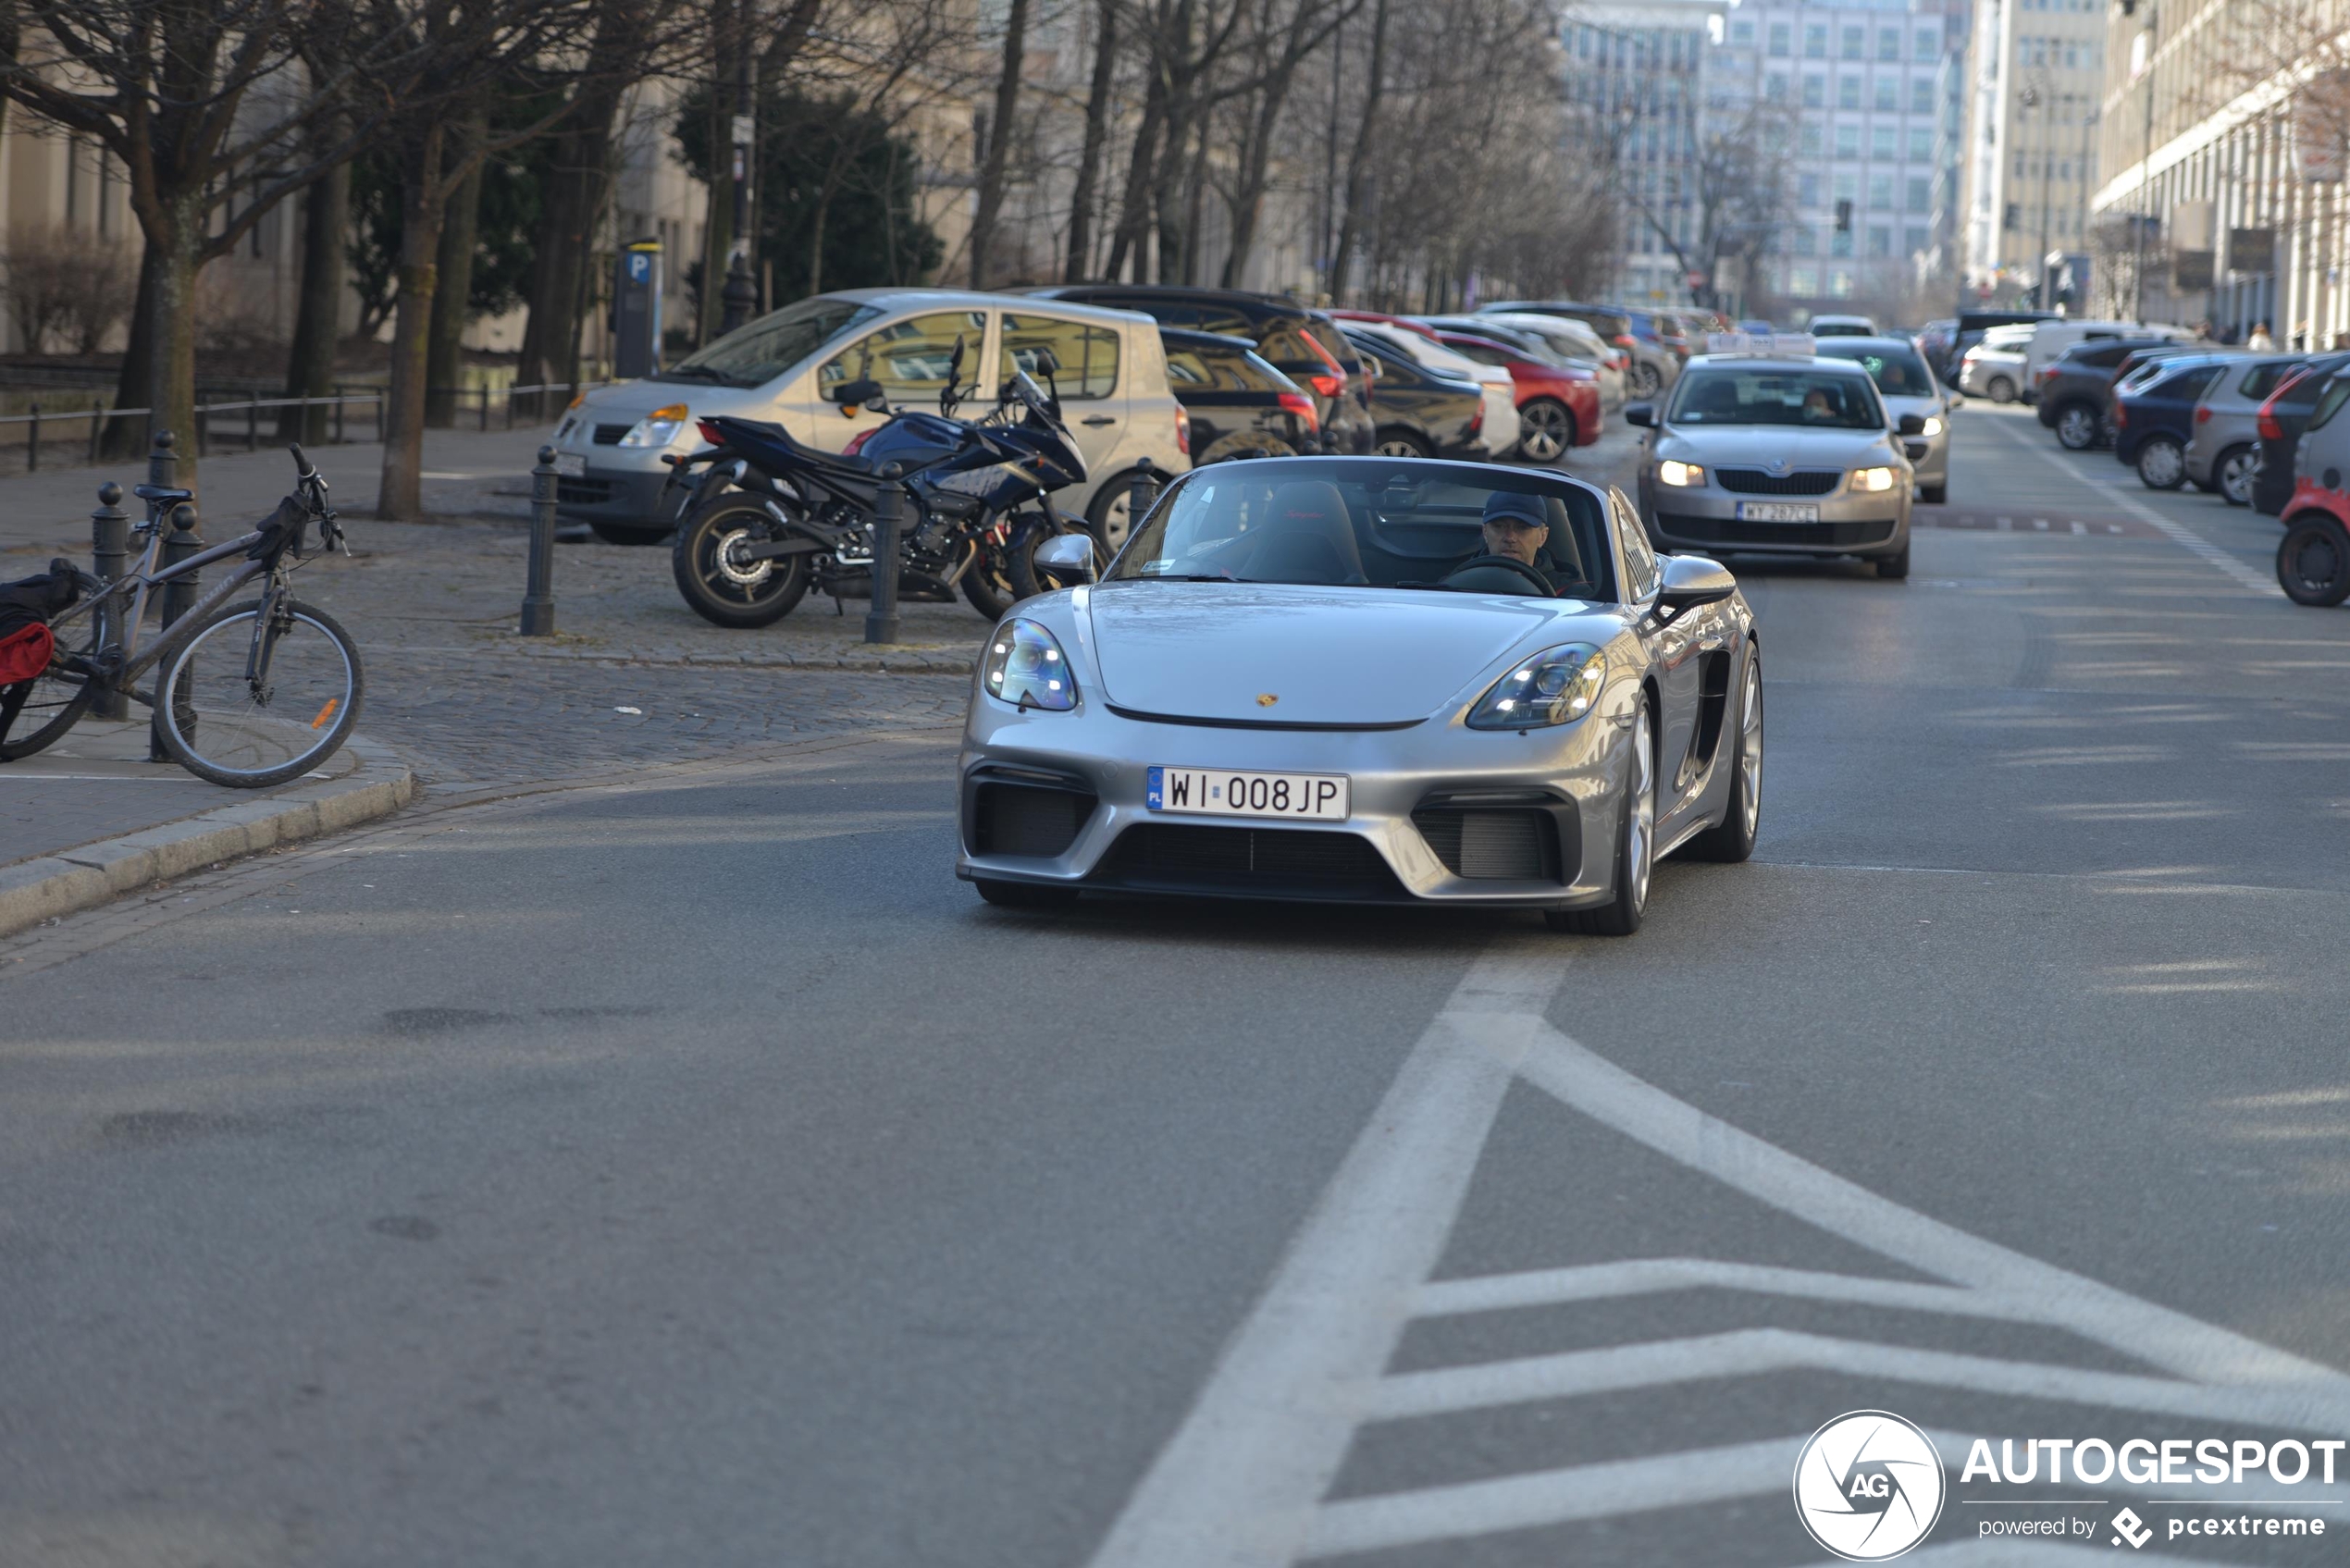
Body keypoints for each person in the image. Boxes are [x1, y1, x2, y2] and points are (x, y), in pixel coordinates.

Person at [1461, 490, 1578, 593]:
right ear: (1485, 532)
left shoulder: (1570, 594)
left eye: (1522, 528)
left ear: (1542, 537)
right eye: (1500, 526)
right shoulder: (1457, 585)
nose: (1510, 538)